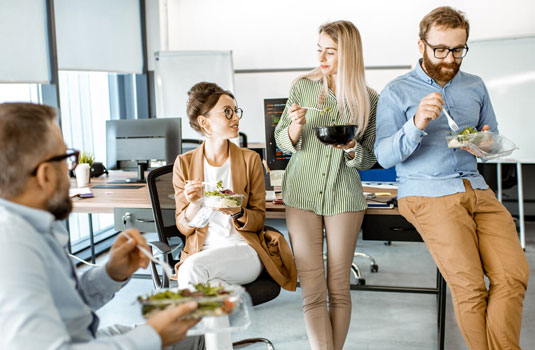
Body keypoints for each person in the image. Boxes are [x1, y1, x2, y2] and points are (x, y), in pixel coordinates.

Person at [374, 6, 530, 350]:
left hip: (475, 186)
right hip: (428, 192)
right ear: (421, 45)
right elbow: (384, 155)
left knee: (513, 275)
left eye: (458, 50)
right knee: (471, 287)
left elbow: (492, 136)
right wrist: (415, 123)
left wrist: (485, 143)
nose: (450, 58)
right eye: (440, 49)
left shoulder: (475, 85)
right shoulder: (397, 91)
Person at [0, 102, 204, 350]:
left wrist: (111, 273)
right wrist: (154, 336)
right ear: (44, 175)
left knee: (199, 336)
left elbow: (68, 305)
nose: (71, 172)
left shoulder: (33, 225)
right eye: (66, 161)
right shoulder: (12, 245)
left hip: (87, 338)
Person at [274, 21, 378, 350]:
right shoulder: (302, 87)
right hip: (300, 194)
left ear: (348, 54)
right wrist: (294, 126)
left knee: (338, 286)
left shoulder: (368, 99)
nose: (322, 56)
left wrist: (350, 148)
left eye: (330, 51)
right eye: (319, 49)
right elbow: (282, 142)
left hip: (344, 197)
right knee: (313, 288)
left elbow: (370, 160)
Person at [172, 82, 297, 350]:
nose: (236, 117)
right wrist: (194, 204)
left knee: (191, 271)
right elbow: (183, 227)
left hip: (243, 251)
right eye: (227, 112)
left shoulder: (249, 159)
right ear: (205, 123)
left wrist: (238, 211)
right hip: (203, 254)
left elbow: (259, 219)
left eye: (235, 111)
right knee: (212, 292)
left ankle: (188, 342)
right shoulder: (184, 164)